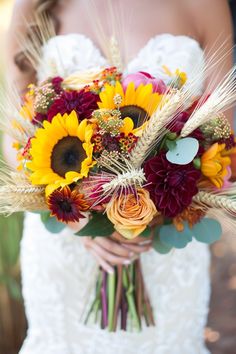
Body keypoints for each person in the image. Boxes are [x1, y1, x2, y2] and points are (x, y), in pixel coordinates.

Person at [4, 0, 234, 353]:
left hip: (166, 245)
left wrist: (159, 207)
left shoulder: (206, 4)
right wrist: (76, 219)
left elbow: (224, 130)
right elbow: (13, 131)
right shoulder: (33, 4)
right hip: (65, 244)